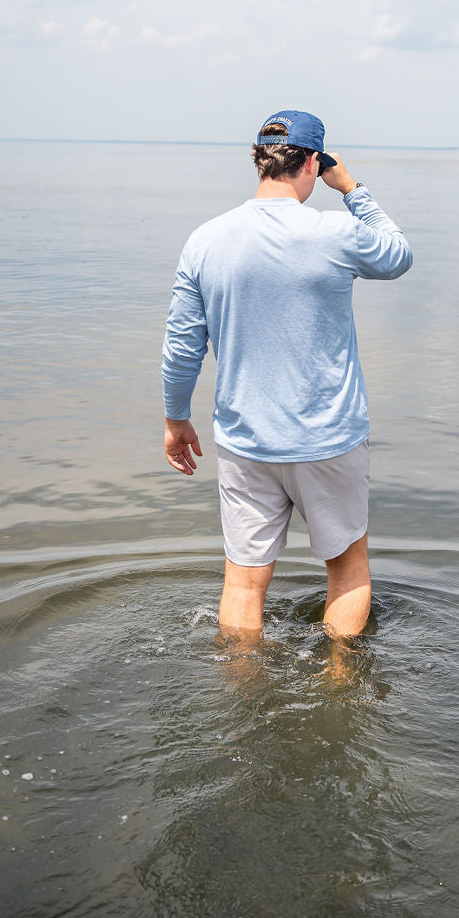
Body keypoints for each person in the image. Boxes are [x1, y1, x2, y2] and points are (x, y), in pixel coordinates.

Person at [161, 109, 412, 642]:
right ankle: (338, 688)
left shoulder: (205, 240)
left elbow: (183, 346)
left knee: (245, 584)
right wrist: (352, 189)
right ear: (314, 162)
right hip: (329, 439)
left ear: (258, 160)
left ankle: (243, 690)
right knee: (346, 567)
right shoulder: (336, 230)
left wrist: (175, 419)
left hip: (245, 441)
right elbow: (398, 256)